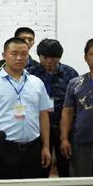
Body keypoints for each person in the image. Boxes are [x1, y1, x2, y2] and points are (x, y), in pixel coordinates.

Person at [0, 37, 53, 179]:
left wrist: (46, 147)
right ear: (4, 55)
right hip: (4, 149)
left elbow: (43, 116)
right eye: (14, 53)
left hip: (33, 148)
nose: (19, 58)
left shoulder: (37, 83)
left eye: (24, 54)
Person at [28, 38, 78, 177]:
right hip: (39, 126)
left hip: (63, 125)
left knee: (66, 164)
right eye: (45, 57)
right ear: (39, 56)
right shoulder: (31, 74)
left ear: (59, 57)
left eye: (53, 58)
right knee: (41, 165)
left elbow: (75, 103)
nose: (49, 61)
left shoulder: (70, 73)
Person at [60, 38, 93, 176]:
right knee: (81, 185)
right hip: (81, 144)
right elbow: (67, 112)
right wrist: (64, 138)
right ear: (86, 58)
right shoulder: (75, 83)